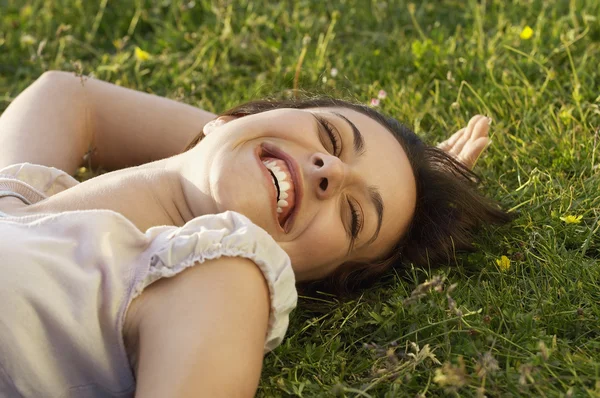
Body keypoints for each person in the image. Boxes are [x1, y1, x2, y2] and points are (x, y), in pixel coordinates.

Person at [0, 71, 511, 397]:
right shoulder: (20, 197)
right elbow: (67, 95)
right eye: (331, 137)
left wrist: (253, 149)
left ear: (316, 278)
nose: (330, 169)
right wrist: (236, 138)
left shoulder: (218, 279)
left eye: (355, 216)